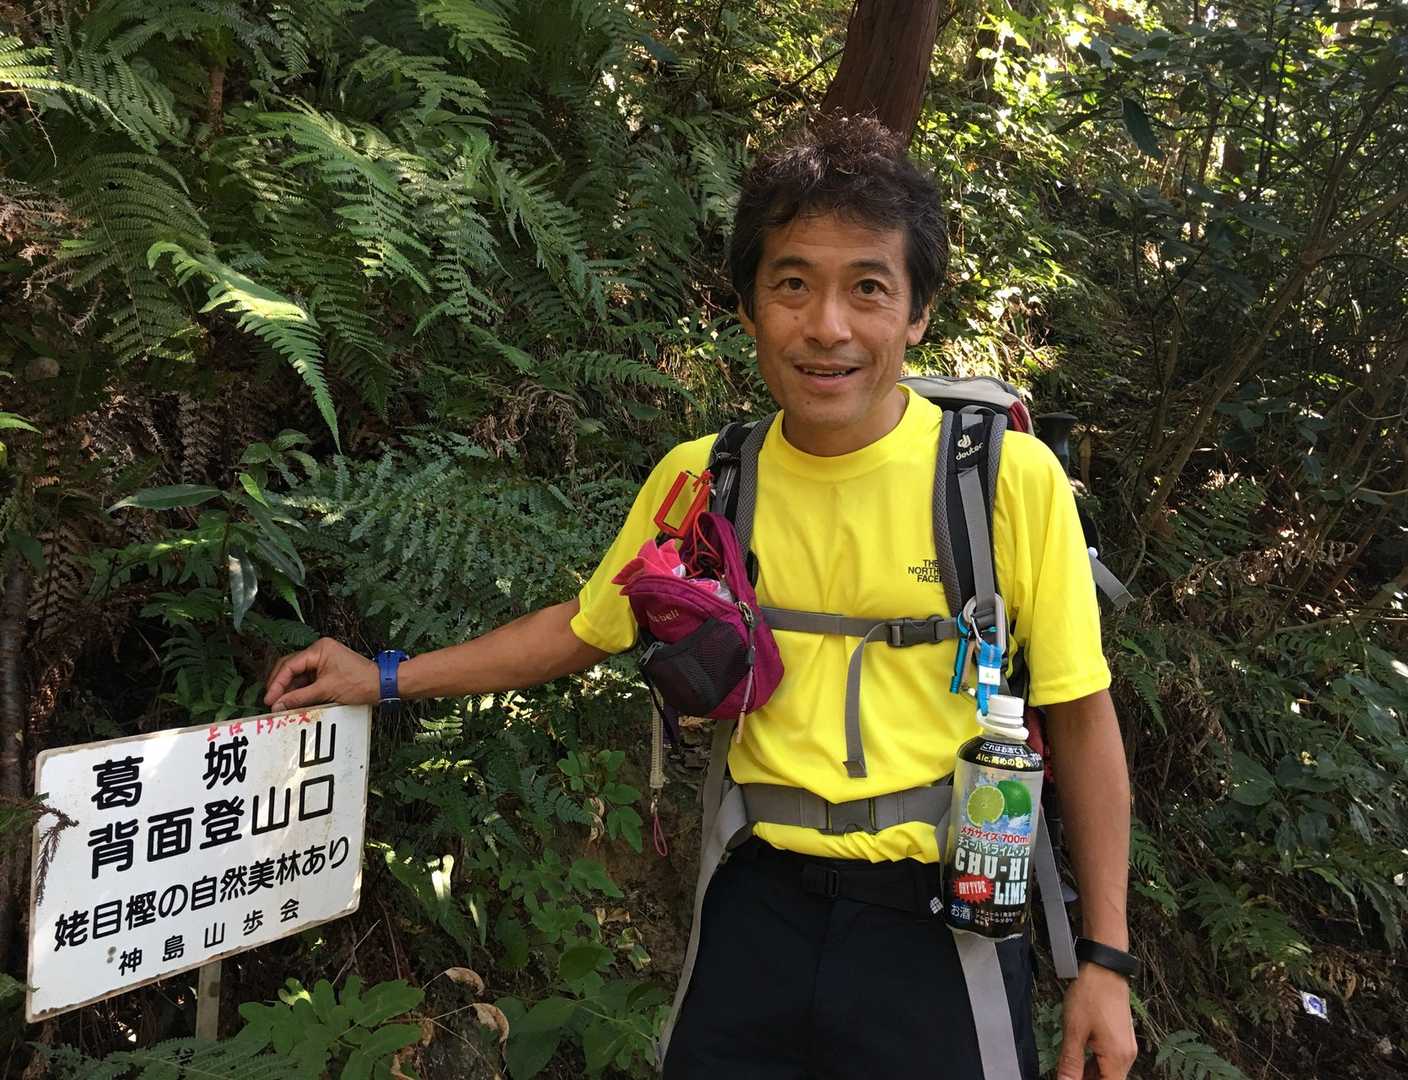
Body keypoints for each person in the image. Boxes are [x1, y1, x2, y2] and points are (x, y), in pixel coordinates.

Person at [265, 117, 1138, 1080]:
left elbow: (1081, 713)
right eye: (793, 284)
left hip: (944, 918)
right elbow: (582, 628)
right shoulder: (707, 481)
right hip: (756, 902)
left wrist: (1104, 960)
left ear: (917, 312)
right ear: (750, 308)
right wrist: (384, 677)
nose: (828, 326)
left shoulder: (1002, 480)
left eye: (868, 288)